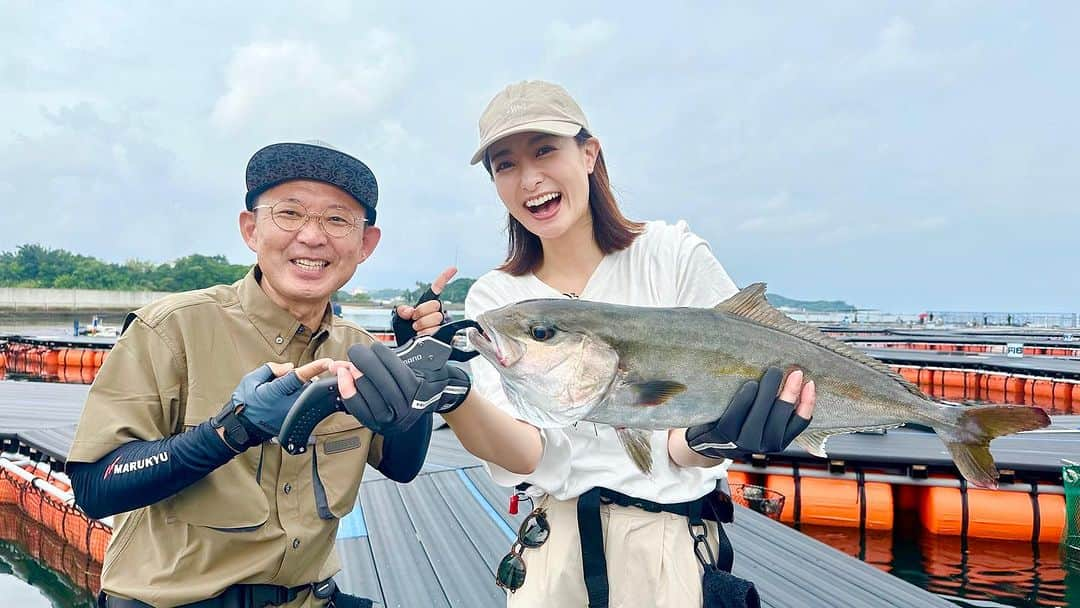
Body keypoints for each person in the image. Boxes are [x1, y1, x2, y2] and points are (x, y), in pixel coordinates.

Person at [352, 81, 817, 607]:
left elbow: (679, 447)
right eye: (505, 165)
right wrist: (454, 395)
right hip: (554, 552)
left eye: (545, 150)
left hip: (669, 552)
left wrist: (719, 437)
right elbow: (531, 454)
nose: (530, 178)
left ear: (590, 153)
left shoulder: (671, 254)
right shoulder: (500, 300)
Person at [66, 141, 459, 608]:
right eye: (289, 214)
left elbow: (401, 466)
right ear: (250, 229)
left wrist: (415, 372)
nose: (313, 237)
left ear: (366, 244)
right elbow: (95, 487)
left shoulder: (363, 350)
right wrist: (234, 429)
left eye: (337, 220)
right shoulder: (172, 329)